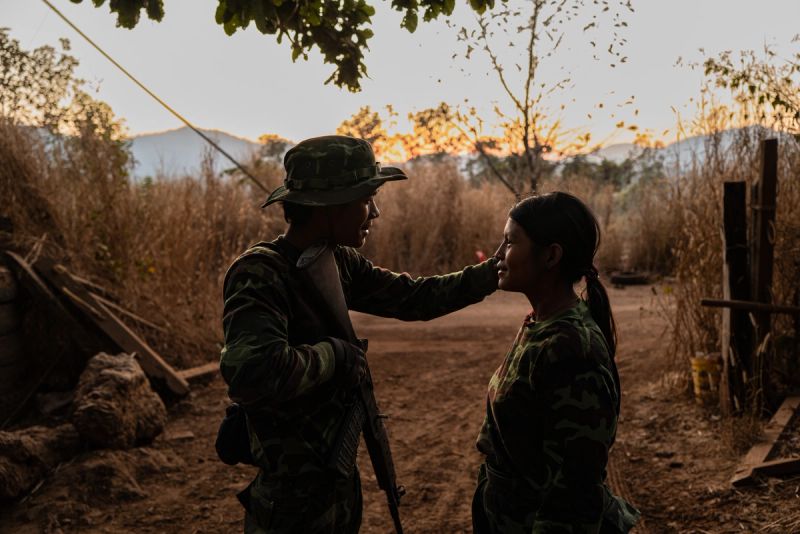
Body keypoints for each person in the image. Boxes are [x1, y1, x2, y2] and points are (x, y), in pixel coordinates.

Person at [219, 135, 499, 533]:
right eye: (366, 200)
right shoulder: (260, 274)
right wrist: (335, 355)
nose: (375, 212)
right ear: (329, 207)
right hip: (291, 499)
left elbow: (413, 298)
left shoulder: (338, 262)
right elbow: (252, 373)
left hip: (336, 483)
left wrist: (492, 272)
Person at [472, 192, 640, 533]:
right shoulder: (540, 324)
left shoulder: (572, 349)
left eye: (509, 242)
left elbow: (576, 486)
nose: (498, 255)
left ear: (551, 256)